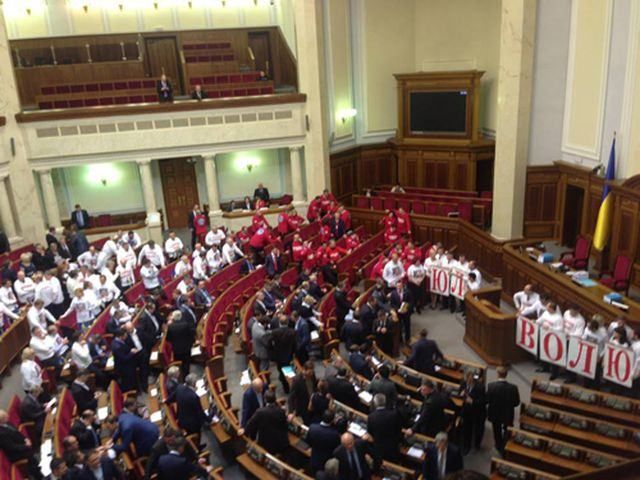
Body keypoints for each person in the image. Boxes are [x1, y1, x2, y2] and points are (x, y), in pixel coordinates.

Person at [240, 390, 289, 455]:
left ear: (265, 400)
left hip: (267, 444)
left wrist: (244, 431)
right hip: (281, 442)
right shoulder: (281, 411)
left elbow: (251, 424)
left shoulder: (260, 412)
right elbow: (285, 425)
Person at [0, 409, 44, 480]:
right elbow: (11, 447)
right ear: (1, 421)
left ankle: (38, 469)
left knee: (32, 455)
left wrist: (25, 439)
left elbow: (17, 432)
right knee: (30, 457)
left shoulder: (7, 423)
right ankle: (38, 476)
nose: (8, 416)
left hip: (22, 445)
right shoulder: (1, 434)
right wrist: (25, 446)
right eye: (6, 417)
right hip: (16, 454)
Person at [486, 366, 520, 455]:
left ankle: (498, 446)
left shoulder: (491, 386)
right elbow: (516, 403)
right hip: (507, 414)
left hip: (495, 414)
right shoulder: (513, 388)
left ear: (497, 374)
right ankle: (506, 444)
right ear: (506, 375)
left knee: (496, 431)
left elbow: (487, 400)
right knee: (507, 430)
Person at [366, 393, 407, 463]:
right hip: (393, 445)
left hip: (379, 447)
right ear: (385, 402)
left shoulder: (371, 417)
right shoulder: (393, 415)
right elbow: (399, 428)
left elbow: (370, 432)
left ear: (375, 403)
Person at [460, 371, 486, 454]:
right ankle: (466, 446)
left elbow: (484, 401)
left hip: (478, 413)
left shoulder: (480, 387)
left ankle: (477, 445)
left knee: (478, 430)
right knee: (467, 429)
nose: (467, 382)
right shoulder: (463, 384)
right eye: (466, 380)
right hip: (466, 412)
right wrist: (461, 394)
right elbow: (460, 394)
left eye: (469, 380)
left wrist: (473, 401)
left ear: (472, 379)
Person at [270, 315, 297, 393]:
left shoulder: (274, 332)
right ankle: (290, 386)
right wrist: (294, 353)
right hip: (289, 356)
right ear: (287, 323)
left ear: (279, 323)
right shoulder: (292, 332)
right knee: (290, 371)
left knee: (281, 370)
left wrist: (273, 353)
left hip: (278, 357)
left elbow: (269, 343)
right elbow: (295, 345)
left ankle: (285, 388)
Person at [166, 310, 196, 378]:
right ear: (180, 316)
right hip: (186, 348)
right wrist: (191, 343)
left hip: (176, 349)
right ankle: (187, 376)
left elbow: (168, 339)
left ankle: (180, 377)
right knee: (186, 363)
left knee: (179, 365)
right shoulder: (186, 325)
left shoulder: (171, 327)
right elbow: (190, 335)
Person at [111, 328, 140, 393]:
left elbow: (125, 348)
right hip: (124, 368)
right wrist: (132, 353)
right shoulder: (117, 347)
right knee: (129, 382)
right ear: (121, 336)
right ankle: (132, 393)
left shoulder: (117, 341)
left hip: (127, 364)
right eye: (125, 335)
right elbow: (124, 358)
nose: (126, 336)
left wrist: (130, 350)